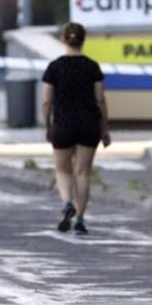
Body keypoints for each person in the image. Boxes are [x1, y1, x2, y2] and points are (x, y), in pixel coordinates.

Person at [42, 21, 110, 235]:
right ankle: (80, 219)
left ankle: (67, 202)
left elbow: (46, 101)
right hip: (89, 125)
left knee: (63, 170)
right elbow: (100, 100)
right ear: (83, 41)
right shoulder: (92, 66)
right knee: (83, 172)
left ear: (63, 40)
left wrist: (48, 125)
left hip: (62, 125)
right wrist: (105, 128)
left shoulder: (54, 67)